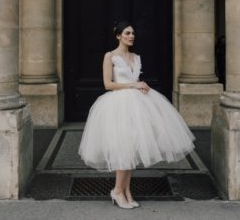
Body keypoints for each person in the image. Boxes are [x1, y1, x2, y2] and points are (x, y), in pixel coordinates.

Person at [78, 21, 196, 209]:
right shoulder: (110, 56)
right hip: (119, 105)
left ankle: (126, 190)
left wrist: (141, 84)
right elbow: (108, 84)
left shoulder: (136, 56)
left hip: (138, 104)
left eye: (133, 33)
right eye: (127, 33)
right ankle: (117, 191)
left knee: (131, 147)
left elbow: (134, 79)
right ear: (118, 36)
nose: (131, 36)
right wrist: (133, 85)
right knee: (123, 147)